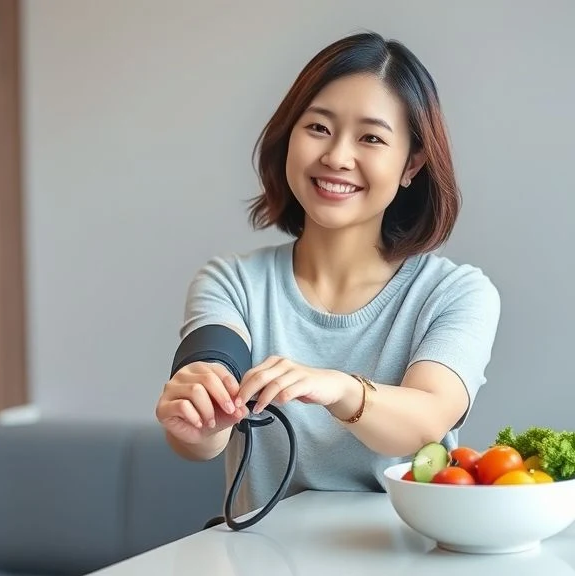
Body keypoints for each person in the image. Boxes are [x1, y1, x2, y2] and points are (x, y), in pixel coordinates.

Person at [155, 31, 502, 519]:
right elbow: (206, 398)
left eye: (371, 138)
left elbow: (427, 417)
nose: (337, 156)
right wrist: (200, 416)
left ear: (412, 164)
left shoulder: (454, 293)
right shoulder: (232, 282)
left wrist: (340, 388)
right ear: (289, 136)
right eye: (318, 127)